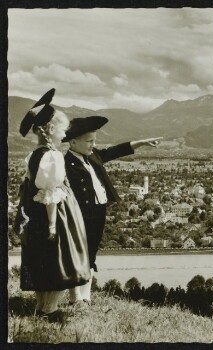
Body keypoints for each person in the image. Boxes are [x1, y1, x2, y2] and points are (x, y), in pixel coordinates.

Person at [62, 116, 162, 304]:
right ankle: (76, 298)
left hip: (98, 211)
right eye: (89, 141)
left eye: (94, 140)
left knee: (91, 254)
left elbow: (115, 151)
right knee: (78, 254)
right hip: (80, 215)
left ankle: (86, 297)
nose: (93, 144)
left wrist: (140, 143)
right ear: (73, 142)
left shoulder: (93, 156)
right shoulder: (66, 164)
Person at [15, 89, 90, 322]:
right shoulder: (53, 156)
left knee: (41, 258)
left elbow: (30, 188)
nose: (65, 135)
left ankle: (42, 305)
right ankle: (49, 309)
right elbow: (50, 193)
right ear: (50, 130)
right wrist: (52, 225)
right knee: (58, 257)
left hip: (33, 213)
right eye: (63, 130)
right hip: (54, 214)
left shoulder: (34, 155)